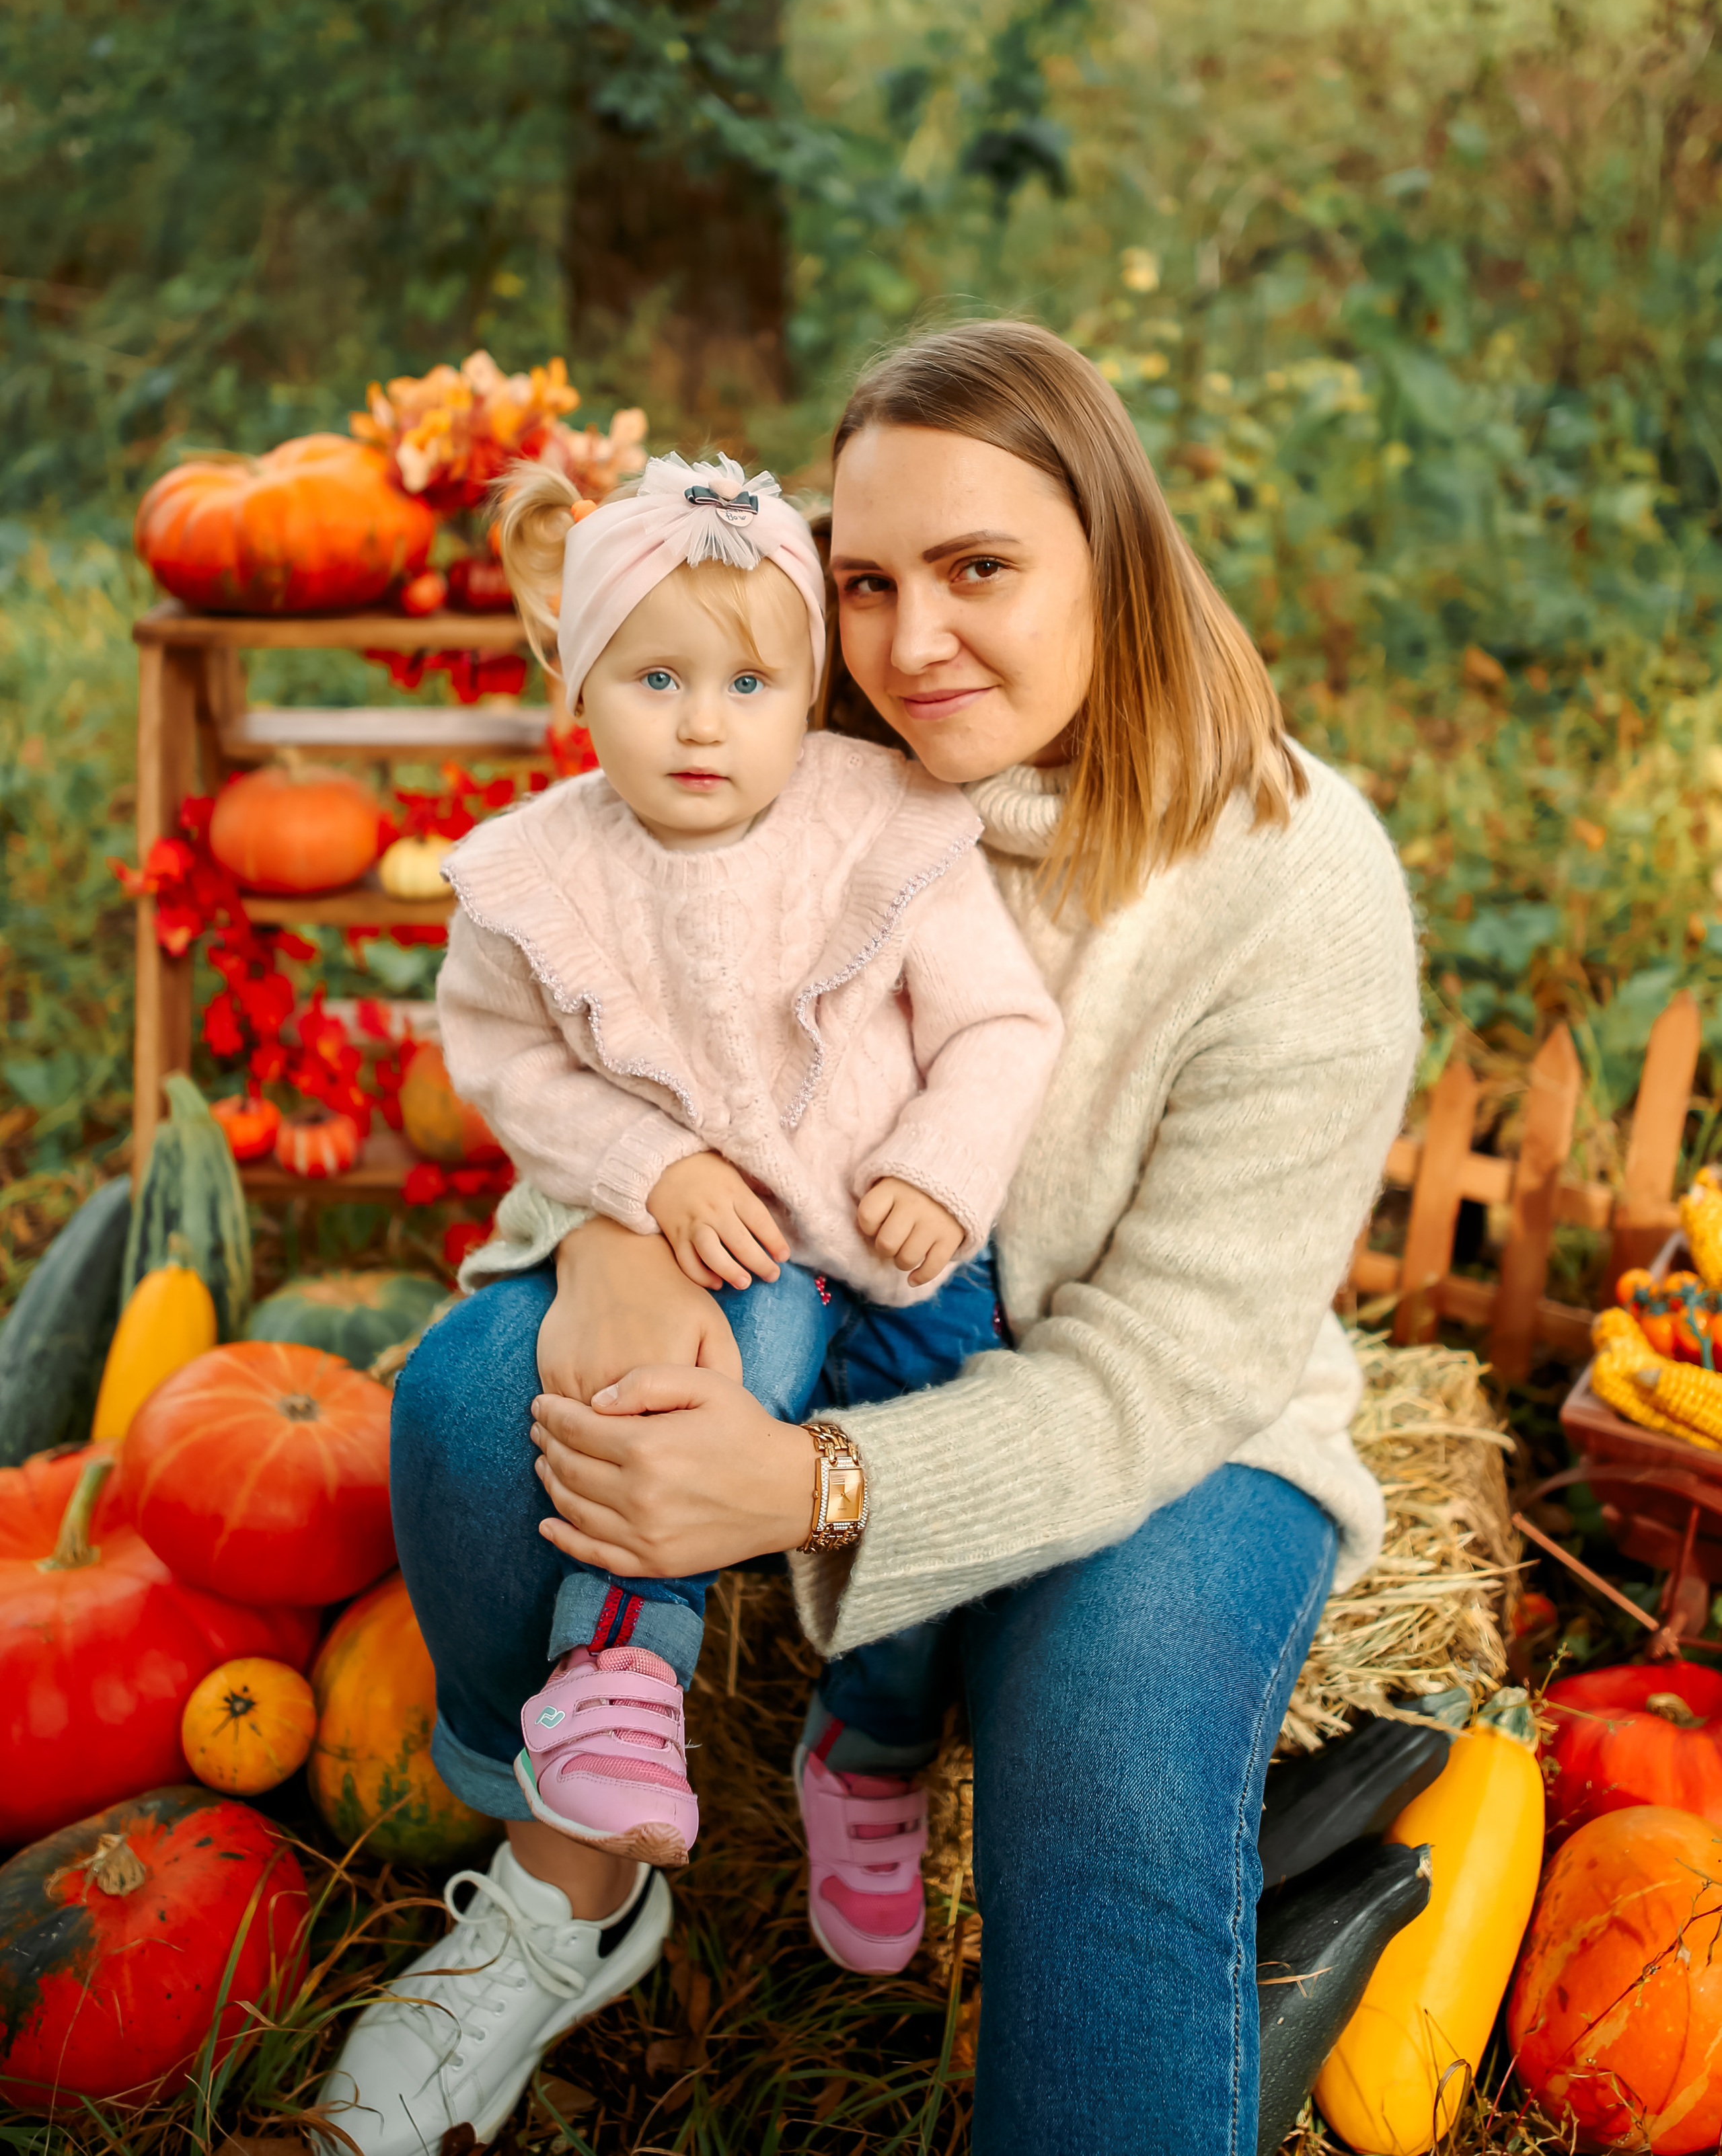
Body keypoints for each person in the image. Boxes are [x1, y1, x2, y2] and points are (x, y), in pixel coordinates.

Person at [317, 320, 1419, 2156]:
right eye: (871, 584)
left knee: (1110, 1768)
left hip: (1161, 1428)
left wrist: (816, 1485)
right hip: (789, 1294)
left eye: (980, 570)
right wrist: (607, 1234)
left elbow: (1164, 1372)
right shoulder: (787, 750)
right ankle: (568, 1872)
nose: (914, 646)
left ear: (1115, 556)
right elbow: (618, 1053)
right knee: (469, 1402)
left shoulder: (1297, 877)